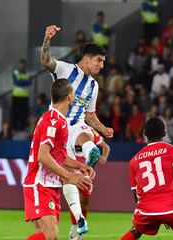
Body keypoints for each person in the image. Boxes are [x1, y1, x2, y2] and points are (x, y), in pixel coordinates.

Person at [41, 25, 114, 236]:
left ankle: (90, 151)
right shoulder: (66, 70)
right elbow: (46, 61)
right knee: (70, 178)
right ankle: (78, 220)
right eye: (99, 60)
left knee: (85, 135)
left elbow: (90, 116)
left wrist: (103, 128)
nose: (101, 65)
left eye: (103, 62)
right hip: (58, 128)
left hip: (77, 126)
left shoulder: (93, 86)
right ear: (87, 59)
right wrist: (47, 38)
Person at [23, 79, 94, 240]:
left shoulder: (60, 120)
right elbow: (43, 155)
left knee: (49, 236)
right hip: (40, 184)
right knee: (51, 236)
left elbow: (60, 156)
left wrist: (80, 166)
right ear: (69, 97)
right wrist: (69, 176)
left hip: (51, 185)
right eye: (73, 96)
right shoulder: (52, 120)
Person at [68, 127, 111, 240]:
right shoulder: (67, 128)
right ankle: (74, 228)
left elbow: (105, 147)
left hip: (86, 171)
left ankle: (80, 228)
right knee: (75, 199)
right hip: (73, 169)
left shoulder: (88, 130)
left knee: (85, 202)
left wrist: (104, 157)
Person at [11, 58, 32, 131]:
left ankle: (22, 128)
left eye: (23, 64)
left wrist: (21, 82)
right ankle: (14, 128)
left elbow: (29, 82)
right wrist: (24, 82)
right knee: (15, 113)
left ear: (25, 65)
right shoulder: (15, 72)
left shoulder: (27, 73)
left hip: (25, 97)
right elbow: (16, 82)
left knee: (24, 114)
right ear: (19, 65)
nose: (22, 66)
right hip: (16, 96)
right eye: (21, 64)